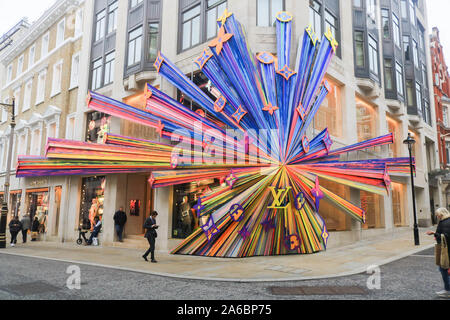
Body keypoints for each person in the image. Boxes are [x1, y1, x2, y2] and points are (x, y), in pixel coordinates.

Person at [426, 207, 450, 298]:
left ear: (442, 214)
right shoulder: (446, 221)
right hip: (446, 248)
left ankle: (448, 290)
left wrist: (434, 233)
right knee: (444, 269)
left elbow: (446, 236)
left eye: (437, 214)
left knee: (443, 269)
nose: (436, 216)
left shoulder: (444, 223)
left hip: (446, 249)